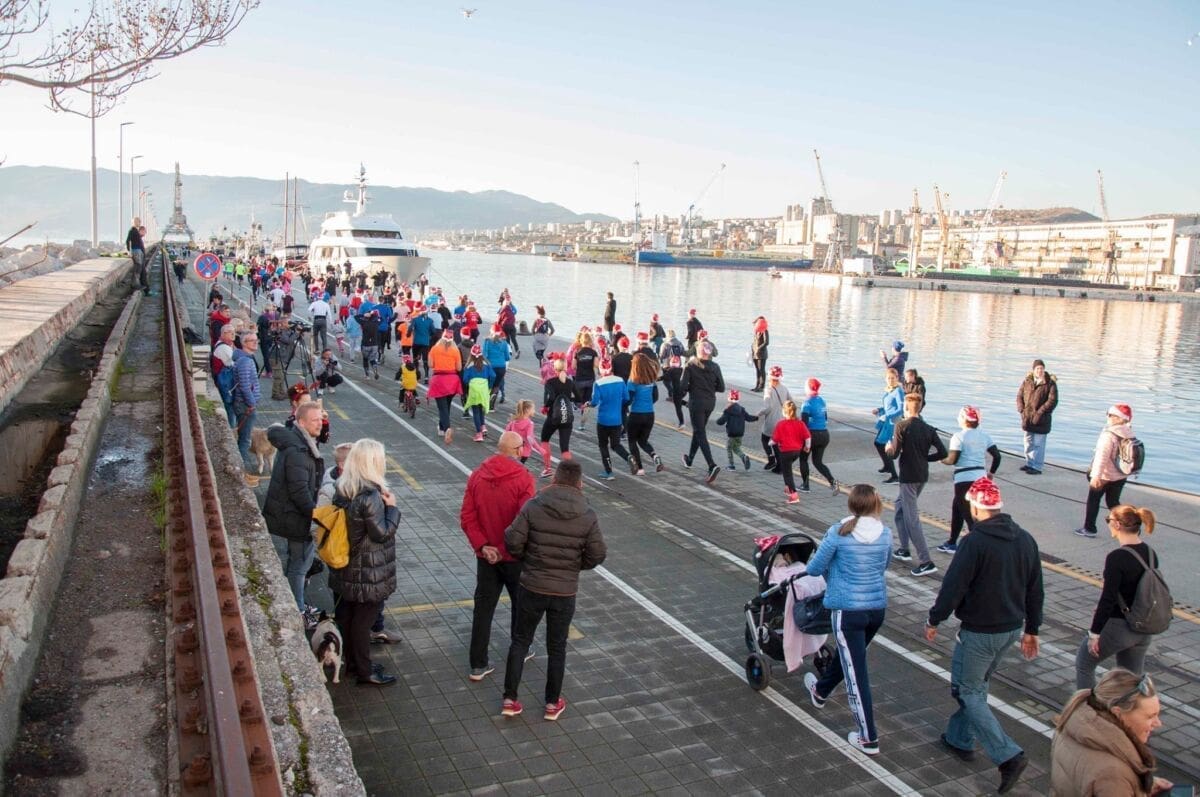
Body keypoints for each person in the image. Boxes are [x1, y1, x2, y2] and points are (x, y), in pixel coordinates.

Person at [925, 477, 1043, 795]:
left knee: (968, 691)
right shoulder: (1026, 539)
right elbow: (1035, 589)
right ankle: (958, 738)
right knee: (976, 686)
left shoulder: (974, 542)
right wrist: (1032, 629)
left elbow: (954, 585)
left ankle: (1008, 756)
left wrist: (935, 618)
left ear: (976, 508)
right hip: (1011, 629)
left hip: (980, 632)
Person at [501, 460, 607, 721]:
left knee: (520, 641)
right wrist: (574, 566)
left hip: (532, 585)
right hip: (564, 591)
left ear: (554, 479)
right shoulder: (587, 514)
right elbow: (598, 554)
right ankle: (551, 703)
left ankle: (510, 699)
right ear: (580, 483)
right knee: (557, 647)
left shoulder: (534, 505)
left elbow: (512, 539)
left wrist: (528, 560)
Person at [803, 484, 892, 756]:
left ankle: (868, 737)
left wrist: (834, 570)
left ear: (851, 505)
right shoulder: (885, 533)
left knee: (857, 674)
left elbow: (814, 568)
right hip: (876, 608)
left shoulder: (838, 532)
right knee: (851, 659)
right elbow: (884, 565)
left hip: (847, 610)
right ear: (876, 504)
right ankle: (820, 691)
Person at [460, 431, 537, 682]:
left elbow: (467, 517)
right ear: (517, 450)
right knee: (520, 605)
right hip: (514, 557)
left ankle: (478, 663)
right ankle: (520, 650)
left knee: (483, 609)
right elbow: (525, 521)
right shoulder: (524, 478)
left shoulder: (477, 476)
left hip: (487, 557)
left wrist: (483, 546)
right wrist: (507, 549)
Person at [329, 439, 401, 686]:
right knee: (363, 622)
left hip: (347, 563)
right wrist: (392, 509)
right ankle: (364, 671)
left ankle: (353, 664)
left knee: (348, 616)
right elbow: (381, 533)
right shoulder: (369, 495)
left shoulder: (343, 488)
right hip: (368, 569)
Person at [1076, 505, 1161, 690]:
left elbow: (1108, 598)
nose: (1108, 524)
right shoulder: (1150, 553)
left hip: (1119, 626)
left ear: (1117, 524)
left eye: (1108, 520)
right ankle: (1133, 708)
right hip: (1143, 628)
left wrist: (1094, 634)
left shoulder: (1117, 557)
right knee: (1130, 680)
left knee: (1084, 664)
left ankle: (1085, 707)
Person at [1051, 670, 1174, 796]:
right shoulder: (1114, 774)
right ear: (1118, 713)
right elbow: (1108, 779)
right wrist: (1124, 785)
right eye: (1150, 716)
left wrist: (1136, 786)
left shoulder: (1071, 723)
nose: (1158, 723)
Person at [263, 403, 325, 615]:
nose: (320, 423)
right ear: (301, 423)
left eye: (321, 419)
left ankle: (297, 604)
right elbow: (299, 492)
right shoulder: (298, 452)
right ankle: (297, 610)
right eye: (315, 420)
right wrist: (316, 516)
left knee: (297, 563)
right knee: (299, 566)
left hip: (290, 515)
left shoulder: (296, 441)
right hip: (297, 518)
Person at [886, 393, 947, 576]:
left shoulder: (901, 426)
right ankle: (904, 549)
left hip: (908, 476)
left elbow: (894, 454)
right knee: (899, 508)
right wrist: (926, 457)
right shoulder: (928, 428)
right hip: (922, 475)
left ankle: (926, 561)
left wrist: (888, 449)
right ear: (919, 408)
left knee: (911, 518)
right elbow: (943, 452)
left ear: (906, 408)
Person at [938, 406, 1001, 554]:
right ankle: (952, 541)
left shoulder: (958, 437)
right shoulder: (984, 436)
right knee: (958, 509)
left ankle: (980, 549)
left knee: (969, 516)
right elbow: (997, 456)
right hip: (980, 477)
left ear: (963, 419)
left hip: (963, 479)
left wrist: (942, 460)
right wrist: (991, 472)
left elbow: (953, 460)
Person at [1075, 404, 1137, 538]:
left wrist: (1096, 476)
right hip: (1120, 475)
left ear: (1118, 418)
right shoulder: (1129, 432)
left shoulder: (1109, 435)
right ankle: (1128, 526)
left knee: (1093, 501)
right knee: (1113, 502)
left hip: (1105, 475)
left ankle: (1089, 528)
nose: (1107, 417)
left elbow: (1101, 457)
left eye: (1110, 415)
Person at [679, 342, 725, 484]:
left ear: (697, 352)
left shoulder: (690, 365)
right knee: (698, 431)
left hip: (696, 403)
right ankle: (689, 459)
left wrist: (687, 391)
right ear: (709, 353)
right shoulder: (715, 367)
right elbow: (722, 388)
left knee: (700, 432)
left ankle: (712, 465)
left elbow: (682, 386)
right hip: (710, 403)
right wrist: (709, 387)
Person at [590, 358, 631, 479]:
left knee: (603, 445)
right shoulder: (620, 380)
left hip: (603, 420)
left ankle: (609, 472)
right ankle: (628, 457)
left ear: (600, 369)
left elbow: (594, 402)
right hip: (617, 420)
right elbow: (626, 398)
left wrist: (588, 404)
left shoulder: (598, 383)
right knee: (616, 444)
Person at [1016, 358, 1058, 475]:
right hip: (1027, 418)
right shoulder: (1027, 381)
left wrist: (1040, 412)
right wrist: (1021, 409)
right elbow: (1019, 395)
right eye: (1038, 368)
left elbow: (1052, 401)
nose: (1040, 371)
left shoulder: (1050, 384)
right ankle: (1029, 463)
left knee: (1038, 443)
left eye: (1041, 368)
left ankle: (1037, 466)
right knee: (1028, 442)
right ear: (1033, 370)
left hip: (1042, 419)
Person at [539, 355, 578, 479]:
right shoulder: (570, 382)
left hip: (553, 417)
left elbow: (551, 398)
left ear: (554, 368)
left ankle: (547, 468)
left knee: (545, 439)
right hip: (567, 418)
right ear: (566, 368)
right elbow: (579, 398)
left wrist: (546, 407)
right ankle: (573, 475)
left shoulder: (550, 382)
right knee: (565, 449)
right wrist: (568, 399)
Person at [625, 352, 663, 475]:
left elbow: (629, 400)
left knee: (632, 441)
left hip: (636, 414)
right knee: (643, 441)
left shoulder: (632, 381)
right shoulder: (652, 380)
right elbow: (655, 397)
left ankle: (640, 468)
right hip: (650, 414)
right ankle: (654, 456)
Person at [800, 378, 838, 494]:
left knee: (803, 459)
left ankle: (805, 485)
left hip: (812, 435)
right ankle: (832, 481)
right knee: (818, 462)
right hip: (824, 434)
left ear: (808, 388)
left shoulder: (806, 404)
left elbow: (804, 425)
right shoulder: (821, 401)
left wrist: (804, 440)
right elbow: (825, 418)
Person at [232, 332, 262, 479]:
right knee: (245, 440)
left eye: (256, 340)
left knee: (244, 438)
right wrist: (251, 403)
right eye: (252, 340)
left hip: (245, 404)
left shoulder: (244, 358)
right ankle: (242, 471)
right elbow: (244, 386)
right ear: (244, 343)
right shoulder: (245, 361)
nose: (255, 342)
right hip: (245, 405)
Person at [771, 400, 811, 504]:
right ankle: (788, 488)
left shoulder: (781, 424)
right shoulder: (800, 423)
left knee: (787, 473)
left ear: (784, 412)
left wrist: (770, 443)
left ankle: (794, 495)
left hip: (785, 452)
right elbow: (807, 437)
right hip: (796, 452)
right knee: (787, 468)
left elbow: (775, 439)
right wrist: (807, 447)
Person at [428, 330, 464, 444]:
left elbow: (430, 364)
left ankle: (447, 428)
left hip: (439, 379)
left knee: (442, 407)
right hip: (452, 380)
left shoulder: (434, 349)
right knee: (447, 405)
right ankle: (441, 427)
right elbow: (459, 368)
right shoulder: (455, 350)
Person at [872, 369, 905, 483]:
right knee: (878, 443)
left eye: (893, 378)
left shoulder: (898, 391)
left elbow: (900, 409)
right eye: (888, 378)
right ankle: (887, 465)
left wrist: (887, 415)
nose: (890, 380)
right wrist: (879, 409)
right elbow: (888, 406)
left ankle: (894, 475)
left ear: (897, 378)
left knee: (886, 446)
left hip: (892, 422)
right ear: (885, 379)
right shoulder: (889, 390)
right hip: (886, 421)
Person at [760, 365, 792, 472]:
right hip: (782, 421)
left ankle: (771, 459)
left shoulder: (768, 390)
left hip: (771, 421)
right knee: (777, 444)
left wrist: (758, 414)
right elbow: (791, 402)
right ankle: (780, 466)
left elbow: (767, 407)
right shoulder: (784, 388)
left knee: (765, 439)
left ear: (770, 377)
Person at [716, 389, 757, 471]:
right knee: (736, 447)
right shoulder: (742, 410)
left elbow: (721, 422)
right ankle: (743, 457)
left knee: (729, 448)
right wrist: (756, 417)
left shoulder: (728, 410)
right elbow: (749, 418)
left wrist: (718, 420)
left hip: (731, 434)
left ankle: (731, 465)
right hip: (740, 433)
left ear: (729, 398)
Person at [462, 345, 496, 443]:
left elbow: (465, 379)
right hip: (484, 388)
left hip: (474, 389)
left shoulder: (469, 365)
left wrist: (469, 383)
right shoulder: (486, 364)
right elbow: (493, 375)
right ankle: (483, 426)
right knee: (482, 408)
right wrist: (489, 385)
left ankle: (479, 433)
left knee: (476, 411)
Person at [658, 330, 687, 428]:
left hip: (667, 366)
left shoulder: (665, 344)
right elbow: (683, 352)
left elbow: (661, 355)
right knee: (678, 401)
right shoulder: (679, 343)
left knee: (667, 382)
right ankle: (687, 404)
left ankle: (682, 423)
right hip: (679, 369)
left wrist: (653, 379)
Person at [212, 324, 238, 426]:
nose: (233, 334)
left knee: (230, 406)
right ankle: (232, 427)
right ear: (223, 333)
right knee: (230, 406)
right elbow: (233, 364)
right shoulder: (224, 348)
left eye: (234, 332)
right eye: (231, 332)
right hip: (226, 382)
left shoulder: (225, 345)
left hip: (225, 380)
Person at [572, 332, 598, 430]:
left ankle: (575, 407)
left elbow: (573, 366)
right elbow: (596, 365)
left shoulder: (577, 352)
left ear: (581, 341)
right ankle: (582, 425)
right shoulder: (593, 352)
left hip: (579, 379)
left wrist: (580, 365)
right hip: (590, 379)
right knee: (587, 402)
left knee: (579, 400)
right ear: (590, 341)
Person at [482, 325, 511, 406]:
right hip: (501, 367)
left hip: (491, 367)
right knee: (496, 385)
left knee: (488, 385)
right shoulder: (504, 343)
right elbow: (507, 358)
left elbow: (484, 355)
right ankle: (492, 405)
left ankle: (486, 402)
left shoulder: (487, 341)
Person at [126, 216, 147, 295]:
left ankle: (136, 284)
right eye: (139, 221)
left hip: (138, 251)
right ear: (135, 222)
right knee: (137, 267)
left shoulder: (136, 231)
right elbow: (127, 241)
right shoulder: (132, 230)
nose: (140, 223)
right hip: (136, 251)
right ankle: (134, 284)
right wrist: (129, 251)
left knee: (139, 268)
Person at [751, 316, 769, 392]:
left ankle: (761, 386)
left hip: (762, 354)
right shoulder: (757, 331)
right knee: (757, 370)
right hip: (755, 353)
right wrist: (752, 349)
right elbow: (755, 342)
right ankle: (757, 385)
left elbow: (766, 342)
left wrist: (759, 348)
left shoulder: (765, 331)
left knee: (761, 369)